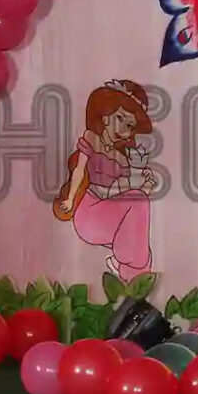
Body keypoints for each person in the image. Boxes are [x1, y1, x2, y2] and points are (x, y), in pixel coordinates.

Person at [53, 80, 157, 280]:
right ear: (106, 115)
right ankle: (132, 269)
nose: (122, 128)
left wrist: (144, 183)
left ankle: (131, 272)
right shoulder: (91, 139)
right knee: (138, 202)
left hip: (111, 215)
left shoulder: (122, 158)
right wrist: (70, 198)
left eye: (129, 125)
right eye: (120, 117)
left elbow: (123, 192)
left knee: (139, 202)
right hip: (89, 211)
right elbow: (79, 170)